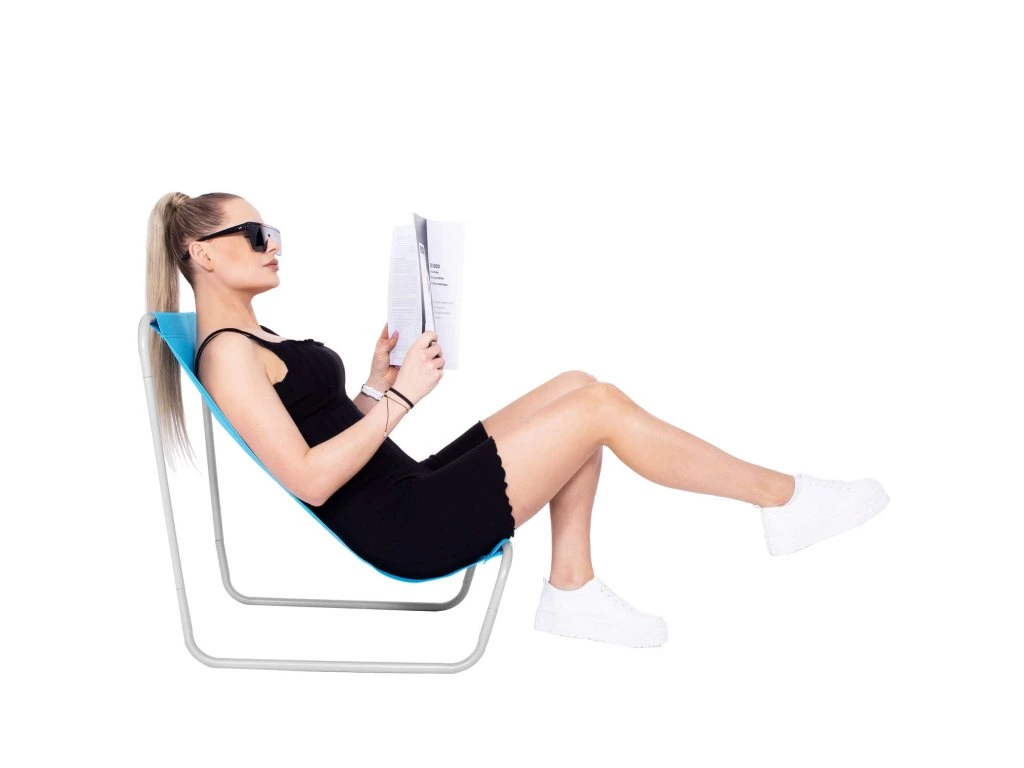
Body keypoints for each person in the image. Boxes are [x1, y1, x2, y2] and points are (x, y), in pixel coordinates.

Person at [145, 191, 890, 650]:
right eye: (254, 234)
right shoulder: (228, 353)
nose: (273, 244)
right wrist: (405, 401)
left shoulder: (253, 337)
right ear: (200, 254)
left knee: (577, 386)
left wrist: (376, 387)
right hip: (408, 525)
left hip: (407, 487)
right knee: (597, 409)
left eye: (271, 230)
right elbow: (309, 480)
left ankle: (572, 586)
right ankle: (783, 500)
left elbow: (322, 434)